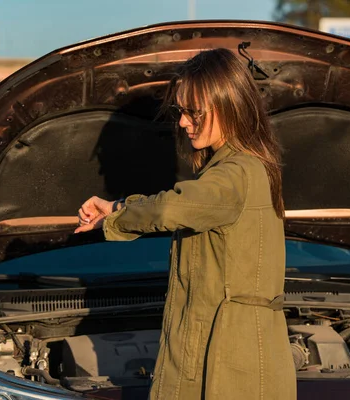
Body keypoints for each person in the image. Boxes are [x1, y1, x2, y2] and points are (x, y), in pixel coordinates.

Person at [75, 48, 296, 400]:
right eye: (181, 111)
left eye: (194, 112)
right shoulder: (241, 170)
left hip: (224, 362)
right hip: (218, 350)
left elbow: (170, 209)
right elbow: (182, 206)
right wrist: (116, 207)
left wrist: (115, 215)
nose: (182, 122)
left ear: (229, 105)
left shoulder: (237, 174)